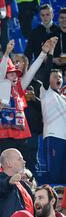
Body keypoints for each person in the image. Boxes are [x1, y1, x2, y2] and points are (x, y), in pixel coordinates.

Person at [0, 39, 54, 168]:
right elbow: (1, 70)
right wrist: (6, 54)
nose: (14, 76)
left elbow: (32, 71)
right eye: (11, 74)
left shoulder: (20, 86)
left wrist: (43, 53)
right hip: (6, 134)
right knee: (6, 166)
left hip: (22, 133)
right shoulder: (0, 85)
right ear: (6, 75)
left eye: (16, 74)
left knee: (23, 167)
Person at [39, 38, 66, 183]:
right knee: (55, 175)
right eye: (55, 76)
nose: (58, 79)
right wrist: (50, 53)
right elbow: (46, 71)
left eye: (60, 77)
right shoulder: (46, 91)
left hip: (65, 138)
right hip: (54, 137)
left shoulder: (63, 97)